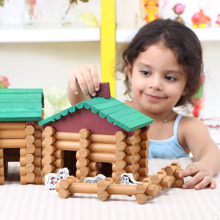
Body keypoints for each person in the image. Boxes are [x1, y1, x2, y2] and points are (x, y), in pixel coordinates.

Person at [67, 18, 220, 190]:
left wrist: (206, 166)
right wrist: (78, 79)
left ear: (187, 86)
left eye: (170, 77)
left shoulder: (186, 127)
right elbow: (80, 109)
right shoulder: (115, 114)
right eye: (146, 72)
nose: (155, 84)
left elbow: (210, 149)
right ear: (130, 71)